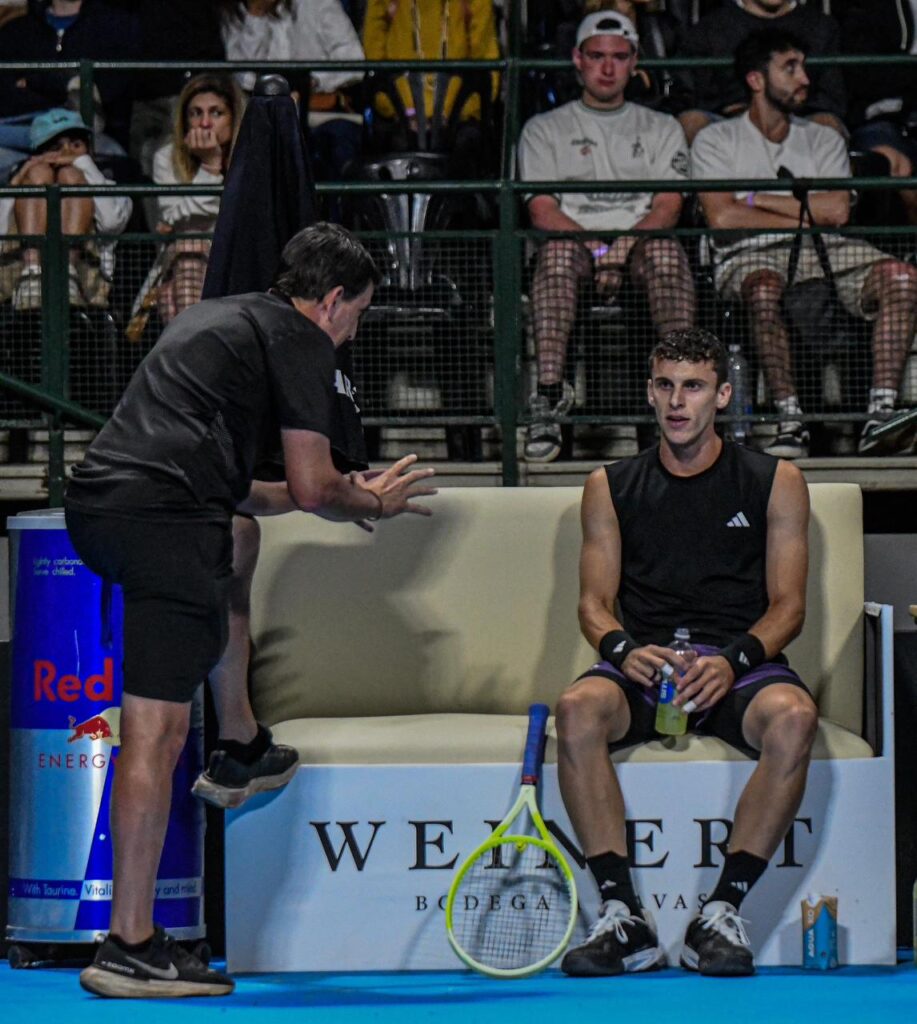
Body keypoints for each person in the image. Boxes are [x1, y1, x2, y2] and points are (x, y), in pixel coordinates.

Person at [64, 222, 438, 998]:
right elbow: (311, 486)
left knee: (238, 536)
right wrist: (366, 500)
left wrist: (335, 495)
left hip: (104, 506)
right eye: (358, 313)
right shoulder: (302, 340)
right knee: (156, 731)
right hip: (164, 522)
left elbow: (247, 493)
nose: (353, 330)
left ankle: (239, 741)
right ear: (331, 300)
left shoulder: (220, 316)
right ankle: (128, 944)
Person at [555, 326, 815, 978]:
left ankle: (719, 914)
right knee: (576, 708)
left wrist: (731, 661)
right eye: (666, 386)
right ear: (649, 392)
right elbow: (592, 604)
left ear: (721, 395)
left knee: (794, 718)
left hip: (738, 667)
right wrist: (624, 650)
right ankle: (623, 918)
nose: (677, 401)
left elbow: (788, 608)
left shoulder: (776, 480)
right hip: (645, 667)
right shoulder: (608, 484)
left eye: (693, 387)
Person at [691, 29, 917, 458]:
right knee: (762, 289)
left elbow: (836, 211)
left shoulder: (823, 137)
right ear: (756, 79)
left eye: (804, 67)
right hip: (748, 250)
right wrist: (798, 206)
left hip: (825, 247)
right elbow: (722, 217)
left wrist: (753, 198)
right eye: (790, 68)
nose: (805, 79)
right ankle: (790, 420)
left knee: (901, 276)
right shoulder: (715, 141)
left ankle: (881, 413)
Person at [517, 11, 695, 463]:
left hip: (639, 245)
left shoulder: (662, 127)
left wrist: (621, 248)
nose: (608, 67)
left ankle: (683, 400)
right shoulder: (543, 128)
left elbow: (668, 206)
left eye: (619, 56)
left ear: (635, 62)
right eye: (597, 56)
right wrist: (599, 249)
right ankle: (548, 399)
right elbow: (542, 210)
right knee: (556, 257)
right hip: (576, 245)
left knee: (666, 256)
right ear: (577, 59)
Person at [0, 108, 132, 311]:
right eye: (56, 147)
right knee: (40, 176)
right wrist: (20, 181)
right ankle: (32, 273)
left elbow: (111, 223)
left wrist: (83, 167)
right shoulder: (18, 186)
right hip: (16, 282)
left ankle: (67, 273)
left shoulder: (109, 187)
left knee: (70, 177)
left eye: (76, 145)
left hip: (86, 284)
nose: (67, 152)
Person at [219, 0, 365, 181]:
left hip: (320, 112)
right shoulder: (235, 14)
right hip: (264, 114)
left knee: (338, 145)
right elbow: (243, 77)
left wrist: (312, 81)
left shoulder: (319, 4)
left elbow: (354, 62)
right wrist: (256, 15)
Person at [144, 74, 245, 325]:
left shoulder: (251, 157)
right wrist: (210, 167)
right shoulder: (166, 157)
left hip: (241, 258)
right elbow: (174, 220)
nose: (205, 123)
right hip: (186, 265)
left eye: (216, 113)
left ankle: (196, 344)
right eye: (195, 113)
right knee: (189, 248)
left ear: (234, 117)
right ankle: (200, 342)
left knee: (173, 295)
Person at [0, 0, 141, 179]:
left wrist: (34, 83)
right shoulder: (15, 31)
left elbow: (108, 92)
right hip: (23, 132)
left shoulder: (116, 27)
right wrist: (66, 87)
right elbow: (6, 95)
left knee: (112, 158)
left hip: (83, 132)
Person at [673, 0, 847, 145]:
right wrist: (749, 114)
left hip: (799, 119)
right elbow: (691, 95)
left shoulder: (821, 26)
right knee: (691, 122)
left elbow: (831, 98)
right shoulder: (710, 27)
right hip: (727, 122)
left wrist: (783, 112)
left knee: (827, 125)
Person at [361, 0, 500, 177]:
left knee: (465, 147)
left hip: (459, 120)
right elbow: (375, 67)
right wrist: (403, 112)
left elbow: (486, 71)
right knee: (397, 145)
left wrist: (451, 115)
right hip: (399, 117)